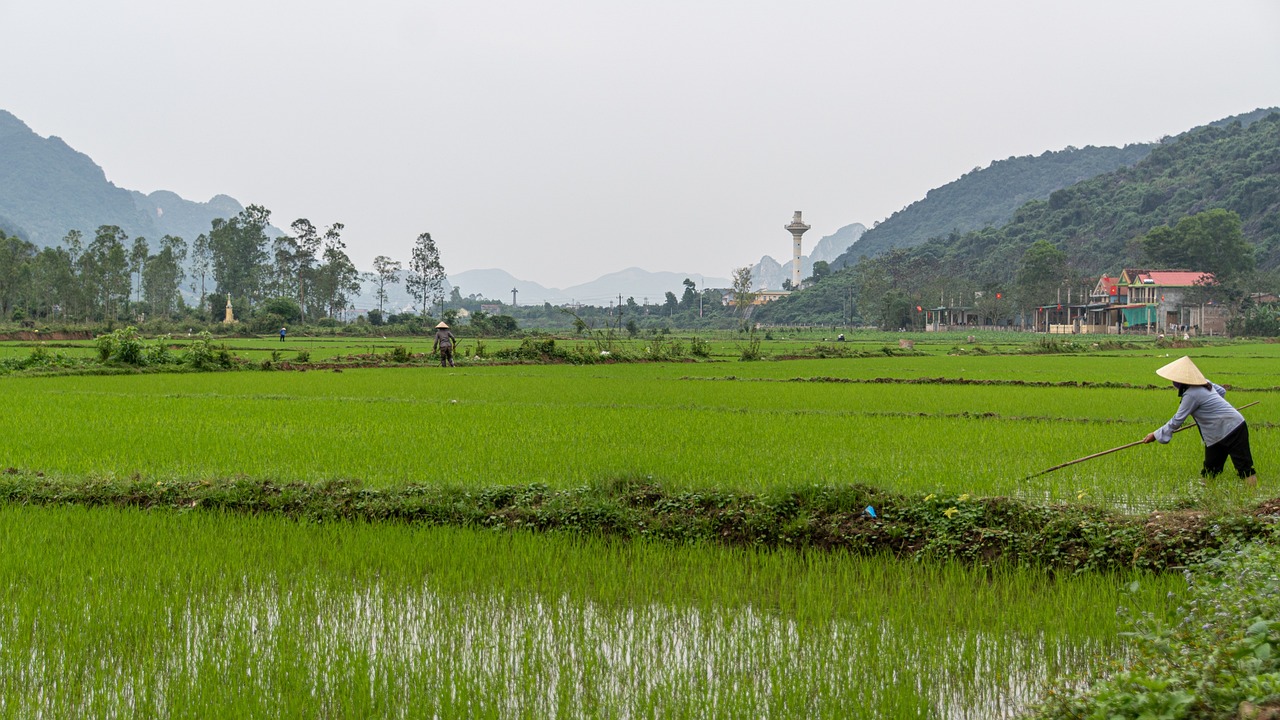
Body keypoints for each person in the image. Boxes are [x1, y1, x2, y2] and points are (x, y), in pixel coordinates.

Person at [1142, 356, 1257, 486]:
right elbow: (1221, 391)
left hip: (1233, 428)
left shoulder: (1191, 394)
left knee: (1244, 467)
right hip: (1216, 433)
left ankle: (1254, 501)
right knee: (1210, 469)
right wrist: (1212, 410)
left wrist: (1155, 435)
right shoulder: (1204, 382)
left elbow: (1177, 420)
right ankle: (1205, 499)